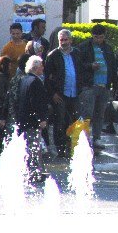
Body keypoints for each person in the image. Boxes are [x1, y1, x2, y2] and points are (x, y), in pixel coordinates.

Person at [77, 23, 116, 152]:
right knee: (87, 113)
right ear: (92, 35)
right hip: (90, 85)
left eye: (100, 37)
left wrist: (113, 84)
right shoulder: (84, 47)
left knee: (100, 114)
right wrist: (90, 66)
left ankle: (97, 137)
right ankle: (84, 138)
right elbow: (78, 64)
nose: (98, 39)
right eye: (96, 37)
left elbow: (112, 65)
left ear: (104, 36)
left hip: (104, 86)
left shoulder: (108, 48)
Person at [44, 29, 82, 159]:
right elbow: (46, 78)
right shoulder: (52, 55)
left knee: (74, 121)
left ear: (71, 40)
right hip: (60, 94)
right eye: (61, 40)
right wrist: (53, 93)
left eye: (66, 39)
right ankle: (60, 148)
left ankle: (70, 147)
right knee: (60, 121)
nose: (64, 42)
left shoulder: (77, 53)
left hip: (74, 93)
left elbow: (80, 70)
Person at [15, 56, 50, 183]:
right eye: (41, 65)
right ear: (35, 67)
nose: (43, 68)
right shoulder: (35, 82)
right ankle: (34, 172)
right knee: (34, 146)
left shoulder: (24, 79)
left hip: (24, 119)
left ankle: (32, 170)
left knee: (29, 146)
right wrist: (41, 119)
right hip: (32, 120)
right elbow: (36, 102)